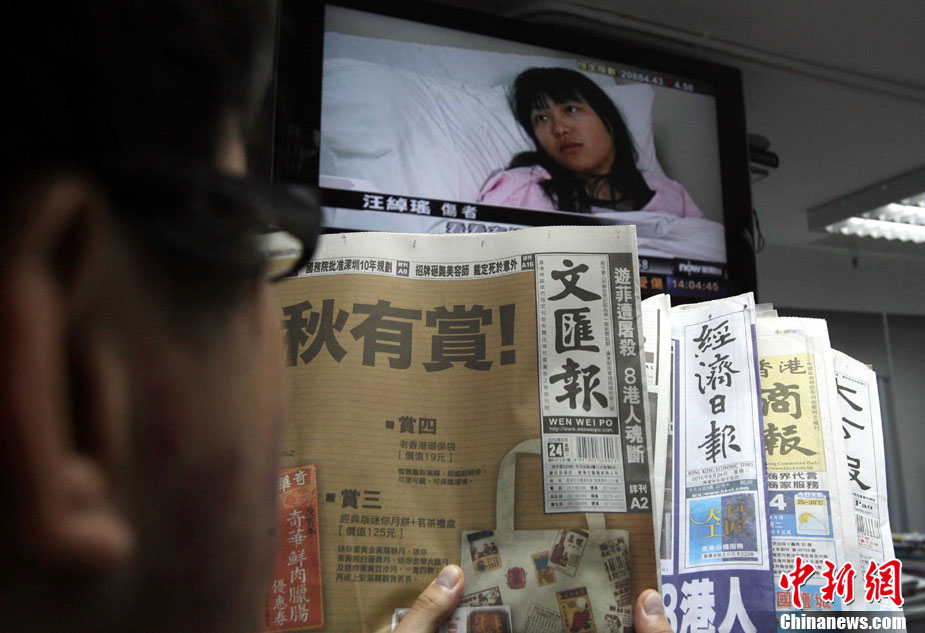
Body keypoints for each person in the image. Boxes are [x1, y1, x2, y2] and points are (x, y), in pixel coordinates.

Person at [0, 4, 672, 633]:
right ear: (64, 370)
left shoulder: (670, 198)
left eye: (571, 108)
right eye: (247, 239)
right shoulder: (524, 184)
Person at [479, 67, 703, 219]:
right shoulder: (519, 191)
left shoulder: (671, 193)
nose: (559, 129)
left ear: (608, 118)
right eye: (542, 118)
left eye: (570, 109)